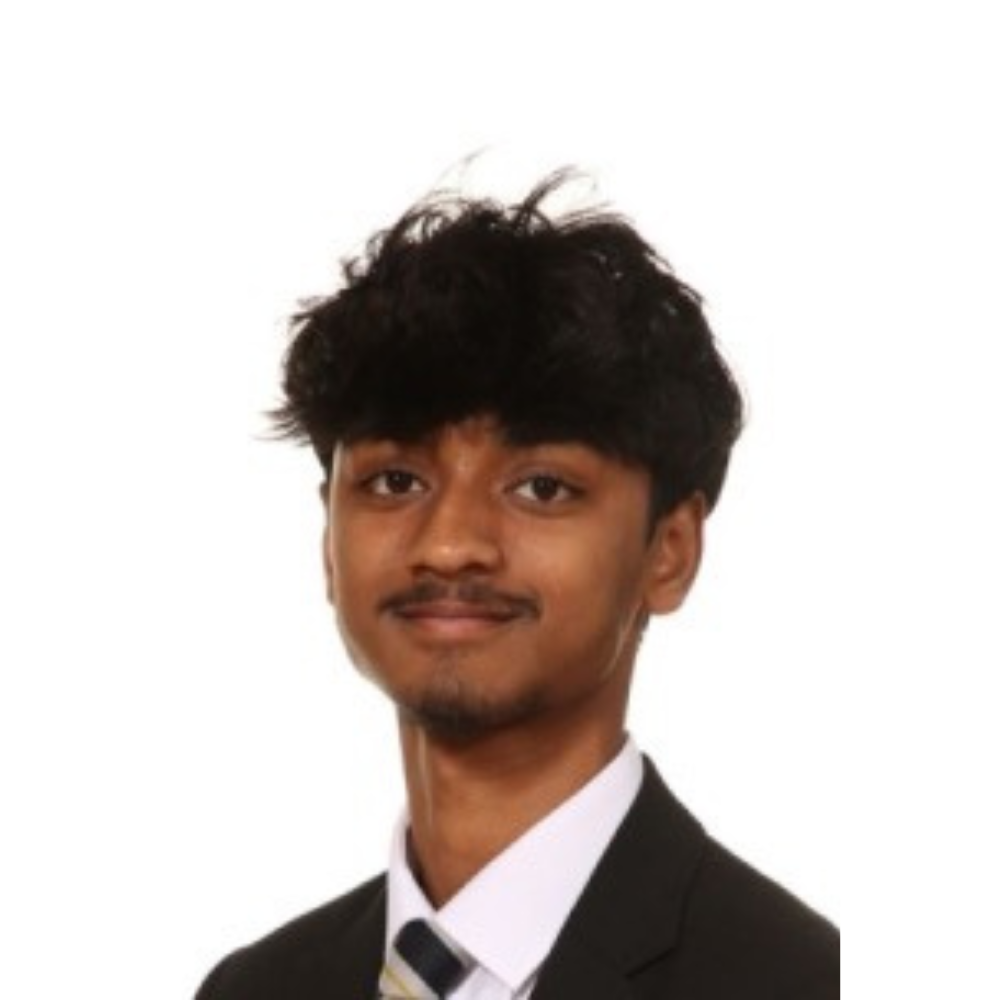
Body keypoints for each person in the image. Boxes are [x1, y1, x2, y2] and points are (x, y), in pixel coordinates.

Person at [195, 172, 839, 999]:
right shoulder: (255, 990)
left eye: (541, 487)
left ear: (669, 552)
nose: (450, 545)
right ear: (329, 539)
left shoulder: (807, 980)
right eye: (395, 481)